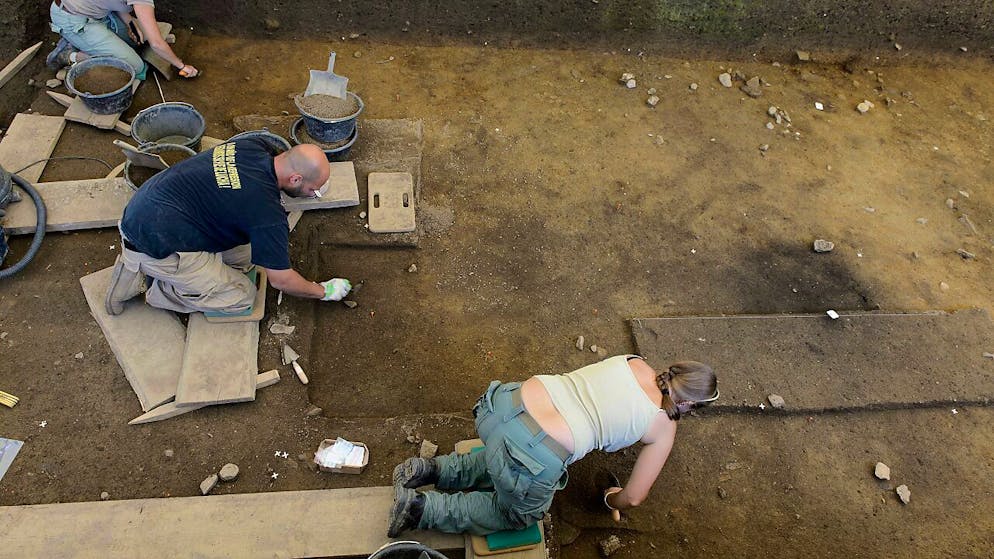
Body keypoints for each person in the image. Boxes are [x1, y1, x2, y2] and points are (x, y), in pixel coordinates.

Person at [387, 355, 719, 537]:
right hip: (531, 449)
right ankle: (420, 508)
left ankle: (431, 469)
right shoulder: (664, 427)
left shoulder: (635, 362)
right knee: (517, 514)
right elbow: (633, 496)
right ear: (689, 405)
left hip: (501, 404)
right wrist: (608, 498)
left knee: (508, 454)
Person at [104, 138, 352, 315]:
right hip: (151, 243)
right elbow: (282, 281)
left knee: (246, 255)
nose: (313, 194)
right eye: (313, 190)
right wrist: (322, 290)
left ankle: (188, 275)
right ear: (295, 178)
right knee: (242, 297)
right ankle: (154, 288)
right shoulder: (266, 212)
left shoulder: (253, 146)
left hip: (152, 206)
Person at [47, 0, 199, 80]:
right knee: (134, 67)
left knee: (138, 39)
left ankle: (82, 43)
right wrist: (182, 65)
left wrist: (130, 23)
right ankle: (68, 55)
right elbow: (157, 44)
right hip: (73, 19)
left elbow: (114, 2)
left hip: (100, 13)